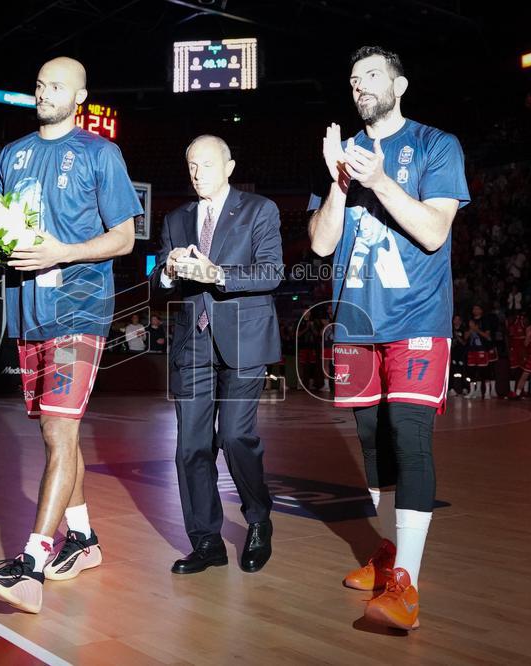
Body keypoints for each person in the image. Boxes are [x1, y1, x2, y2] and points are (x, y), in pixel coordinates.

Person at [0, 57, 141, 614]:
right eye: (40, 84)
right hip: (26, 313)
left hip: (78, 309)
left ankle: (32, 565)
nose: (45, 92)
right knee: (55, 435)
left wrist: (64, 252)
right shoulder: (12, 155)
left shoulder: (100, 153)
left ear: (80, 96)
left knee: (59, 433)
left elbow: (125, 239)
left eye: (57, 85)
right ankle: (83, 540)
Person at [307, 46, 470, 630]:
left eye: (372, 75)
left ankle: (407, 584)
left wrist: (379, 182)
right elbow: (322, 245)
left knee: (409, 435)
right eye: (353, 79)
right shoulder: (344, 157)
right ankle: (387, 552)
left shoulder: (435, 146)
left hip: (416, 319)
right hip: (355, 324)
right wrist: (338, 182)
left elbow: (433, 232)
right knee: (372, 443)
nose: (360, 86)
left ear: (399, 85)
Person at [153, 134, 283, 575]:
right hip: (193, 345)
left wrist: (218, 273)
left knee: (233, 437)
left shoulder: (260, 210)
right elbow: (157, 287)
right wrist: (168, 272)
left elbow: (271, 272)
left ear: (229, 166)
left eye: (206, 165)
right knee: (190, 446)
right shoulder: (174, 219)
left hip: (244, 340)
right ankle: (206, 540)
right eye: (190, 165)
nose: (196, 173)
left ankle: (259, 519)